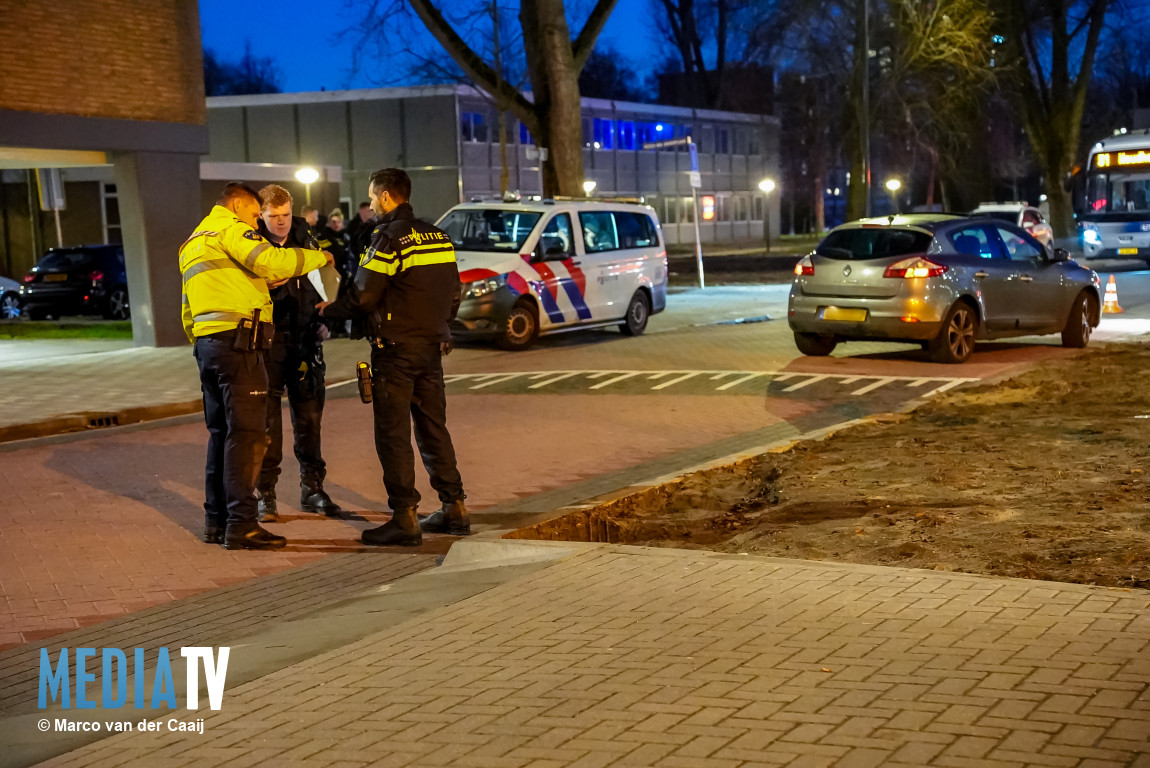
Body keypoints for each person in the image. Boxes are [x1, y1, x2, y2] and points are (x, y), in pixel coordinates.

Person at [320, 168, 468, 546]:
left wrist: (327, 312)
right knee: (434, 429)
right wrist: (439, 326)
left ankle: (405, 518)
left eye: (372, 197)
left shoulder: (388, 238)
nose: (370, 205)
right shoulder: (438, 235)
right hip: (431, 349)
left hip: (395, 352)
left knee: (394, 435)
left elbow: (365, 295)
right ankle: (454, 507)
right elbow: (454, 290)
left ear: (386, 197)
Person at [180, 183, 331, 550]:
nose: (256, 224)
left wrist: (204, 343)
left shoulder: (193, 241)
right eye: (253, 216)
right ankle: (242, 524)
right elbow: (270, 260)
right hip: (240, 345)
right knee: (247, 437)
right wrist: (319, 258)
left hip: (208, 345)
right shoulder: (231, 228)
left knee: (221, 436)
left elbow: (188, 307)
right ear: (238, 205)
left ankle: (216, 522)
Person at [255, 184, 340, 522]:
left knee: (309, 417)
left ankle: (313, 488)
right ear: (260, 215)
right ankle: (266, 494)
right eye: (273, 216)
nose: (281, 222)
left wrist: (325, 315)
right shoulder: (251, 242)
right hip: (269, 341)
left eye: (286, 215)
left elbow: (325, 279)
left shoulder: (305, 236)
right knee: (267, 422)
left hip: (305, 338)